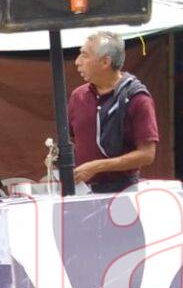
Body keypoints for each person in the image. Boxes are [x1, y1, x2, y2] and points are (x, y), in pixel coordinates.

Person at [68, 31, 159, 193]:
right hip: (82, 193)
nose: (77, 62)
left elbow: (147, 154)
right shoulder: (78, 96)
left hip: (122, 192)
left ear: (105, 62)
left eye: (84, 55)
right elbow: (73, 140)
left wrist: (98, 166)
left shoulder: (137, 99)